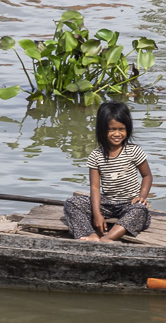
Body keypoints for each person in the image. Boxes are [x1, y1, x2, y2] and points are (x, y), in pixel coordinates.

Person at [63, 100, 153, 242]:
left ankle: (108, 238)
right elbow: (94, 187)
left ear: (127, 129)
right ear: (102, 130)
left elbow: (147, 176)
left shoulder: (134, 151)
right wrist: (97, 213)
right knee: (72, 203)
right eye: (112, 129)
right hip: (107, 203)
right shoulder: (96, 155)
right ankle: (89, 235)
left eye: (121, 129)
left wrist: (142, 197)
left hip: (129, 204)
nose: (117, 134)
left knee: (141, 210)